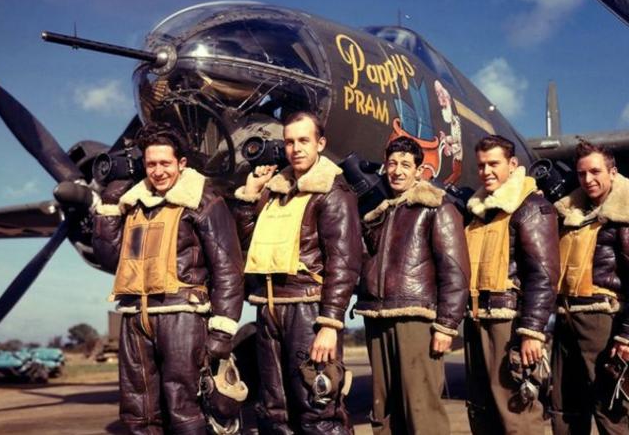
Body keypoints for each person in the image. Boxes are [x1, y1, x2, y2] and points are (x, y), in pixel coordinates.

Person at [92, 122, 244, 435]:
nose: (158, 171)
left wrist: (222, 331)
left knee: (184, 409)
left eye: (165, 163)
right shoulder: (133, 205)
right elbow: (110, 258)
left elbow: (228, 268)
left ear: (181, 163)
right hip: (135, 317)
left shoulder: (204, 201)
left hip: (182, 316)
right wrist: (109, 206)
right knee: (138, 412)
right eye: (151, 164)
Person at [233, 111, 362, 434]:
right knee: (274, 412)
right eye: (289, 142)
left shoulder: (333, 192)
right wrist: (250, 196)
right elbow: (249, 244)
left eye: (304, 140)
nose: (296, 149)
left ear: (321, 143)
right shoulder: (275, 192)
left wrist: (330, 324)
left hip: (308, 310)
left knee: (318, 409)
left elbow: (344, 262)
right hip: (269, 308)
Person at [354, 136, 470, 434]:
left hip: (416, 320)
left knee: (421, 410)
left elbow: (455, 271)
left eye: (406, 165)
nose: (397, 171)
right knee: (383, 412)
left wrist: (447, 325)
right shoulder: (378, 214)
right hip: (377, 318)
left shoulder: (437, 208)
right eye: (392, 164)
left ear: (419, 171)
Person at [463, 134, 560, 434]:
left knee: (518, 415)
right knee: (483, 414)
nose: (486, 171)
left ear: (513, 164)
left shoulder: (531, 207)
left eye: (494, 164)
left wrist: (532, 332)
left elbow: (543, 275)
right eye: (481, 165)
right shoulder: (478, 213)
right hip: (477, 320)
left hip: (510, 324)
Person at [550, 140, 629, 434]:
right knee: (564, 409)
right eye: (582, 173)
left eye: (595, 172)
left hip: (603, 321)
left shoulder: (624, 215)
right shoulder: (571, 214)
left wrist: (626, 335)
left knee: (611, 411)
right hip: (566, 318)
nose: (588, 179)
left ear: (613, 172)